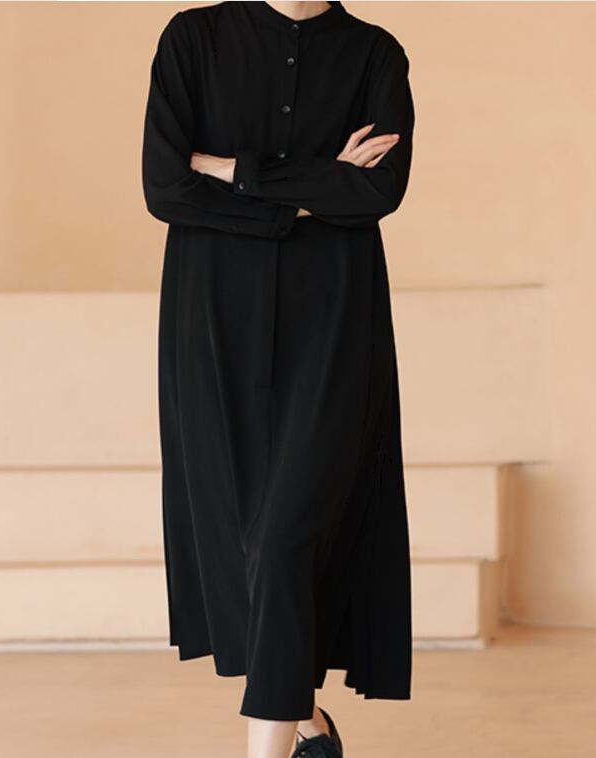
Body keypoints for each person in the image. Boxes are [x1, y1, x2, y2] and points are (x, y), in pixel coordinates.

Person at [141, 2, 416, 757]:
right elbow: (165, 187)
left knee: (290, 529)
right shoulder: (193, 38)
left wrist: (231, 170)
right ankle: (309, 729)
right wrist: (312, 193)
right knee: (241, 537)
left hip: (333, 317)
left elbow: (376, 194)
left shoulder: (375, 54)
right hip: (212, 315)